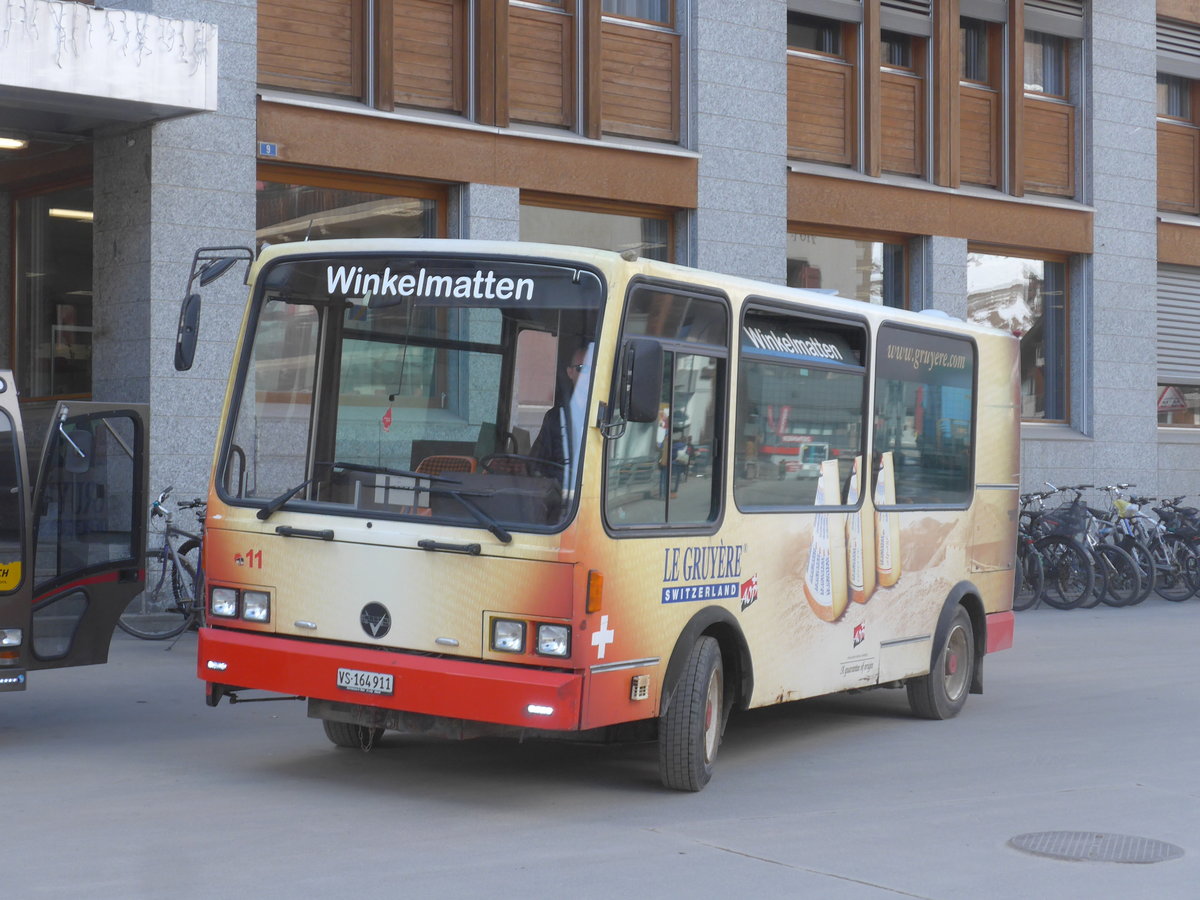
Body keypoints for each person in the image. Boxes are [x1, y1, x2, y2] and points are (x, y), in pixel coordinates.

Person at [529, 347, 587, 473]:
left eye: (594, 369)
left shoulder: (609, 415)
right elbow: (537, 464)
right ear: (570, 372)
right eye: (582, 368)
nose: (590, 375)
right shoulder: (554, 417)